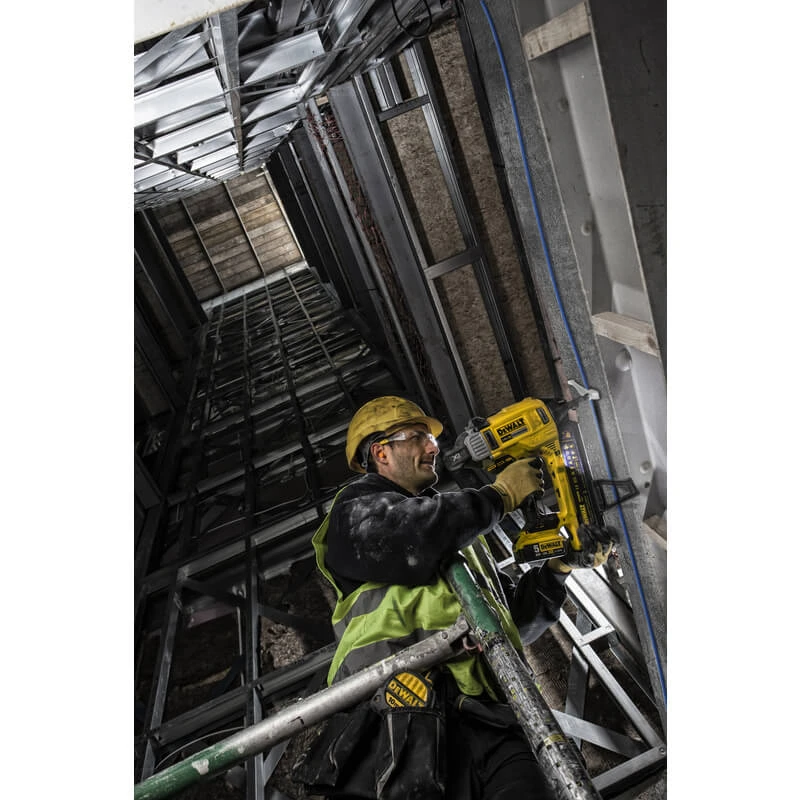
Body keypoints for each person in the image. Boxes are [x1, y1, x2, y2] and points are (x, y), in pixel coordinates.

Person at [298, 396, 613, 800]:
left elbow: (512, 624)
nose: (433, 448)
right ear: (381, 452)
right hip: (397, 709)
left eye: (431, 439)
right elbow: (410, 539)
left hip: (492, 718)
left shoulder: (460, 548)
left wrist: (559, 568)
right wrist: (500, 496)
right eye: (418, 437)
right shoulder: (356, 512)